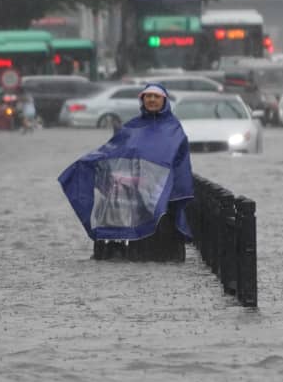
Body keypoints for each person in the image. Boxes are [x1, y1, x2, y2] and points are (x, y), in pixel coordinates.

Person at [58, 82, 194, 262]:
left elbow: (180, 162)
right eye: (148, 96)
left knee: (161, 246)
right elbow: (113, 151)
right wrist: (89, 162)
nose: (152, 100)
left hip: (163, 199)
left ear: (164, 100)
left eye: (156, 97)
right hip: (132, 198)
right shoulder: (131, 127)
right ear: (142, 100)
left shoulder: (173, 128)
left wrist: (176, 192)